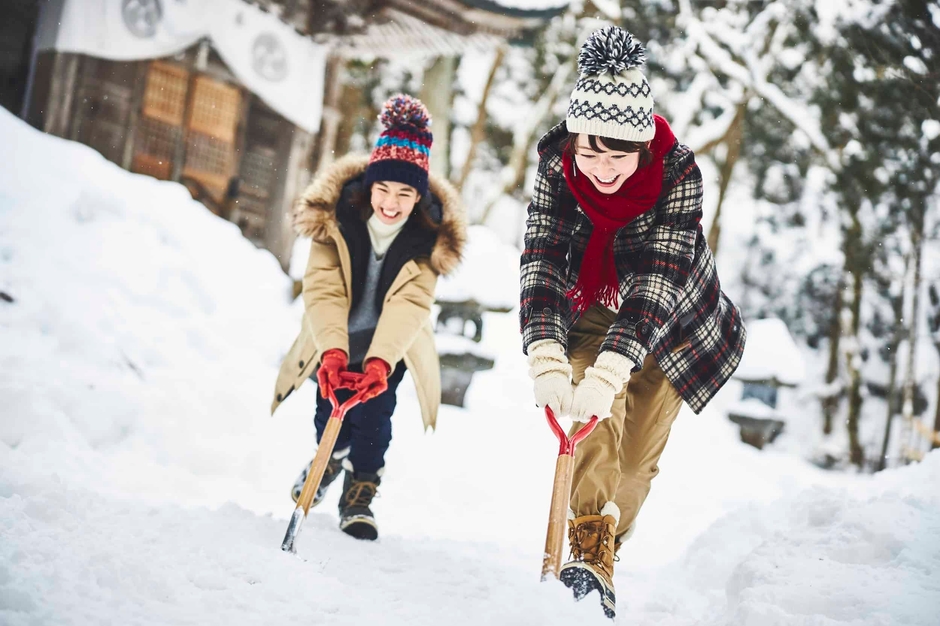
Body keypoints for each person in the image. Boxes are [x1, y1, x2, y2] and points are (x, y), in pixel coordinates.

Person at [520, 26, 746, 617]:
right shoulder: (557, 165)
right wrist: (545, 351)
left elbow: (656, 284)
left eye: (617, 156)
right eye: (590, 153)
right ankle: (589, 551)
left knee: (635, 463)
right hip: (593, 306)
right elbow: (542, 254)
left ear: (642, 148)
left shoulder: (678, 175)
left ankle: (609, 541)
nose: (602, 169)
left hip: (675, 326)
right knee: (593, 420)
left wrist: (612, 370)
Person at [271, 94, 466, 541]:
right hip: (334, 338)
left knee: (374, 420)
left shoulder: (428, 239)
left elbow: (410, 304)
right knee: (328, 411)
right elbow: (324, 288)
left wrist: (379, 363)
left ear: (418, 197)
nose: (391, 203)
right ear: (369, 185)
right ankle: (328, 457)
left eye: (404, 194)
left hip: (390, 347)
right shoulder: (336, 219)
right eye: (383, 190)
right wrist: (334, 352)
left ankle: (360, 492)